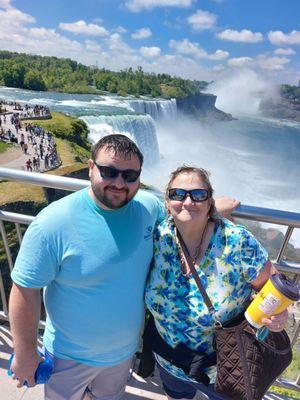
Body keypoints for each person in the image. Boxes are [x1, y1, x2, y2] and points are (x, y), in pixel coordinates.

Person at [9, 135, 238, 400]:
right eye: (109, 172)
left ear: (139, 177)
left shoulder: (148, 209)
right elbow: (25, 289)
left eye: (130, 175)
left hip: (122, 354)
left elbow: (184, 216)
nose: (119, 183)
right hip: (67, 356)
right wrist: (25, 354)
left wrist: (209, 207)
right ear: (90, 167)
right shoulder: (52, 224)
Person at [145, 166, 288, 400]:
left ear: (209, 201)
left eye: (198, 194)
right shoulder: (159, 236)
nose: (188, 201)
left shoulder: (236, 241)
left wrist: (278, 316)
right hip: (169, 361)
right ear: (167, 202)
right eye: (178, 194)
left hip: (225, 370)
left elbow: (273, 286)